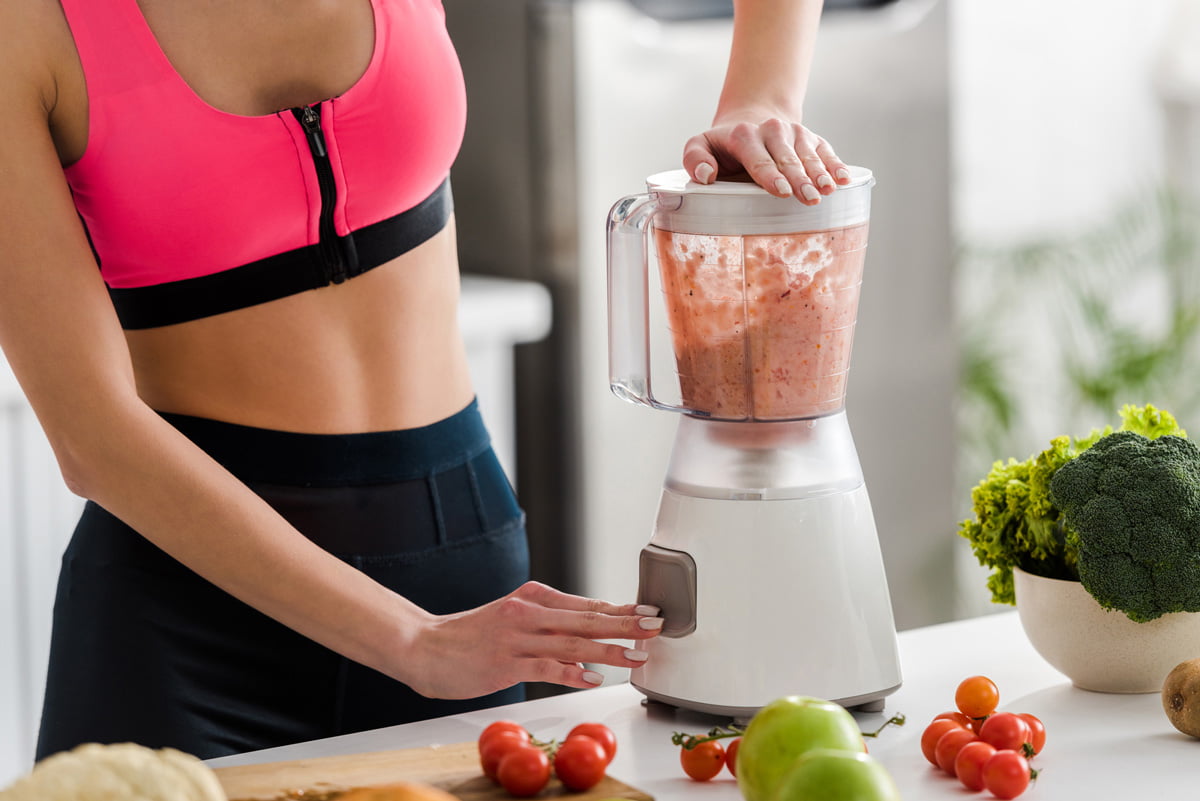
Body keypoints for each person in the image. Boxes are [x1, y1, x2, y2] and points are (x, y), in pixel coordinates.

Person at [0, 0, 848, 762]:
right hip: (184, 623)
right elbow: (90, 433)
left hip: (455, 562)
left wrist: (762, 94)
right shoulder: (28, 27)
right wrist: (411, 639)